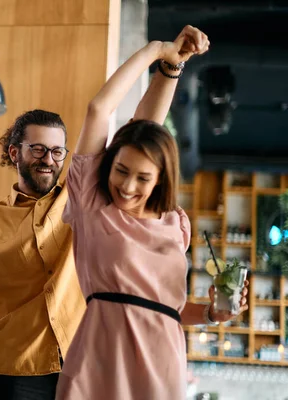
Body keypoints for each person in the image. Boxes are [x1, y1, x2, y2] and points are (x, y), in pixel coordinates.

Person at [0, 25, 216, 400]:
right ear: (14, 153)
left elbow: (142, 131)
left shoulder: (83, 199)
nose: (49, 160)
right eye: (37, 149)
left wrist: (169, 67)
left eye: (57, 152)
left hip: (86, 367)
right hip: (16, 375)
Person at [54, 28, 249, 399]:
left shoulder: (175, 224)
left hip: (163, 367)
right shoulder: (93, 204)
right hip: (100, 362)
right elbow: (100, 109)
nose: (127, 187)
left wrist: (211, 314)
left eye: (143, 178)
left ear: (160, 180)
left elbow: (167, 307)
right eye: (121, 171)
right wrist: (157, 53)